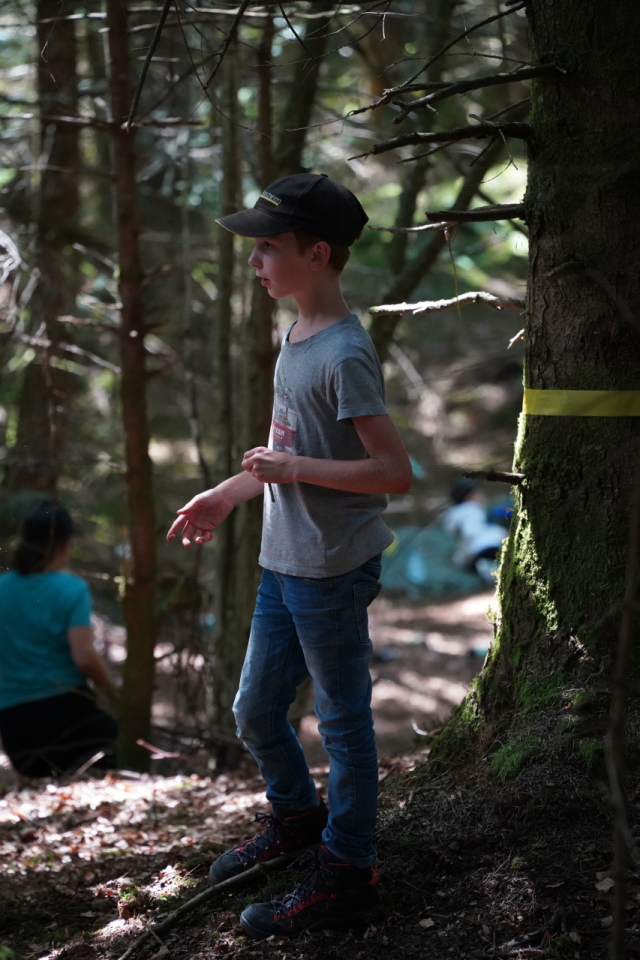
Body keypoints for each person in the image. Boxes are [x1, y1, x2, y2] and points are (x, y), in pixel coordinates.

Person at [168, 172, 412, 940]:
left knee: (341, 721)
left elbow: (393, 473)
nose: (254, 262)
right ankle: (299, 821)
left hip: (332, 568)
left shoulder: (345, 353)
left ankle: (348, 869)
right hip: (285, 560)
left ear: (317, 253)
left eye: (267, 248)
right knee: (253, 710)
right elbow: (282, 453)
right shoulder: (296, 337)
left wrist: (295, 469)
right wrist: (226, 494)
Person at [0, 501, 118, 777]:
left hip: (15, 731)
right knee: (121, 744)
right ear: (65, 545)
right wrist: (115, 696)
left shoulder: (2, 588)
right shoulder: (71, 589)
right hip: (69, 721)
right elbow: (84, 658)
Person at [442, 478, 508, 583]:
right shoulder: (474, 509)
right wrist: (501, 532)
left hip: (468, 555)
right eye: (478, 493)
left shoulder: (453, 513)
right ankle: (491, 569)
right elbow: (473, 532)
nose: (481, 496)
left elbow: (449, 529)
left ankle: (486, 568)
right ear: (470, 496)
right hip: (486, 547)